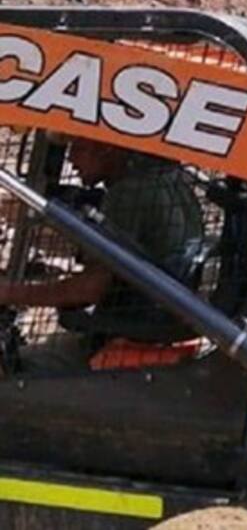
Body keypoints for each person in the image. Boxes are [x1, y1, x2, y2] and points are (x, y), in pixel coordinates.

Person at [0, 137, 205, 373]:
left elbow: (90, 288)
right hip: (156, 326)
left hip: (125, 338)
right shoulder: (174, 181)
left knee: (13, 371)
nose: (71, 159)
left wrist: (12, 293)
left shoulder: (128, 193)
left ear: (108, 147)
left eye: (78, 147)